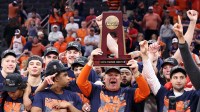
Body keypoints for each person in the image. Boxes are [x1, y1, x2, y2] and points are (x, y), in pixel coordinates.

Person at [76, 48, 150, 111]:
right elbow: (80, 82)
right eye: (110, 75)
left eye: (116, 75)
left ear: (121, 79)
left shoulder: (128, 92)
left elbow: (145, 92)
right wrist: (91, 61)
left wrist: (136, 72)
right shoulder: (95, 90)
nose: (113, 77)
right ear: (104, 79)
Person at [140, 40, 200, 112]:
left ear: (186, 79)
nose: (178, 80)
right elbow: (150, 76)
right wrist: (146, 55)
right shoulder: (162, 92)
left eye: (181, 77)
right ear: (171, 79)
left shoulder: (193, 95)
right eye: (175, 77)